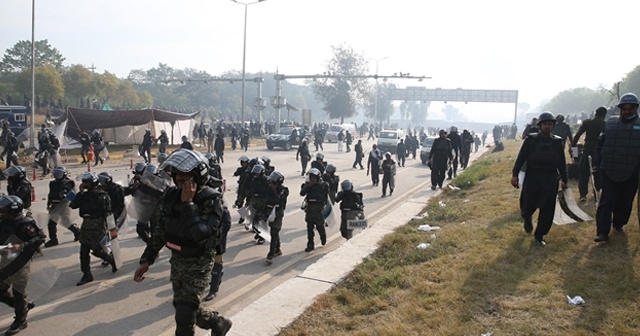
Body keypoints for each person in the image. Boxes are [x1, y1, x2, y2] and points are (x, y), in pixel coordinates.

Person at [133, 149, 233, 336]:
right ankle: (218, 322)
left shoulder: (211, 199)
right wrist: (146, 260)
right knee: (184, 305)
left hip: (200, 261)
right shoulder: (171, 196)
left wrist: (188, 205)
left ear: (198, 175)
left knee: (185, 314)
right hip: (178, 259)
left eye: (184, 174)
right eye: (177, 174)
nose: (179, 178)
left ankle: (216, 322)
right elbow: (161, 231)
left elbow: (201, 234)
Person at [510, 112, 567, 246]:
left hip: (551, 178)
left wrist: (565, 179)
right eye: (545, 124)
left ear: (553, 125)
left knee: (547, 209)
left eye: (550, 124)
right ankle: (527, 218)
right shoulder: (531, 140)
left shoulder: (557, 142)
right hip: (533, 177)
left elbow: (561, 162)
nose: (547, 126)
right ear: (540, 125)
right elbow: (521, 158)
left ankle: (540, 236)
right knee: (527, 204)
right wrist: (515, 174)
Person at [593, 94, 640, 243]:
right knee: (606, 202)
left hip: (631, 173)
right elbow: (600, 145)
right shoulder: (610, 124)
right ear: (620, 109)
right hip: (610, 170)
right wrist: (596, 162)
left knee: (625, 203)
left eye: (630, 109)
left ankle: (619, 223)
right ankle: (602, 232)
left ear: (635, 108)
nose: (627, 111)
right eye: (624, 109)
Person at [0, 195, 45, 335]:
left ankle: (21, 320)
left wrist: (23, 245)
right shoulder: (3, 221)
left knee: (19, 292)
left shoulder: (25, 222)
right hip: (5, 258)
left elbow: (40, 237)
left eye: (4, 209)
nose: (1, 210)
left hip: (20, 261)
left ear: (13, 210)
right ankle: (23, 306)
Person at [70, 172, 118, 285]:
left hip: (98, 225)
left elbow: (107, 213)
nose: (84, 184)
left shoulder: (102, 195)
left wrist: (110, 229)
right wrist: (80, 193)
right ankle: (87, 274)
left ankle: (112, 260)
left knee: (98, 250)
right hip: (86, 225)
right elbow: (73, 205)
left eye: (86, 182)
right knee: (83, 251)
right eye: (83, 182)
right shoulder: (83, 195)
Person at [571, 106, 606, 202]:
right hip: (598, 151)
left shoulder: (587, 123)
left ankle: (583, 195)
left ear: (595, 113)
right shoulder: (605, 125)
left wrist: (573, 150)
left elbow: (577, 135)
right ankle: (597, 192)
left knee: (583, 172)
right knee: (598, 172)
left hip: (587, 149)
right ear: (604, 115)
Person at [44, 166, 81, 247]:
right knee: (61, 222)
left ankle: (54, 240)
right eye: (56, 174)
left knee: (55, 222)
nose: (57, 176)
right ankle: (77, 233)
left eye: (59, 174)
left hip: (64, 204)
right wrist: (49, 203)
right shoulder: (52, 183)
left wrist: (64, 194)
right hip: (55, 204)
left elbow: (70, 193)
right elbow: (50, 194)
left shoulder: (68, 182)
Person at [300, 168, 329, 252]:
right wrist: (309, 186)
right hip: (309, 209)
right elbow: (302, 193)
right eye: (311, 178)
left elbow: (325, 196)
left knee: (320, 226)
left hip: (319, 209)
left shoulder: (323, 185)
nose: (312, 180)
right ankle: (310, 244)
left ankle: (323, 237)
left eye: (314, 178)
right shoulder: (307, 185)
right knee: (309, 228)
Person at [265, 171, 288, 265]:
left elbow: (278, 200)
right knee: (274, 231)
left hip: (278, 212)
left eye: (273, 183)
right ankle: (277, 249)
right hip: (270, 212)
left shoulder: (284, 190)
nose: (271, 185)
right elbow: (266, 199)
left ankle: (271, 253)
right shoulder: (268, 189)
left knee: (274, 232)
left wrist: (274, 191)